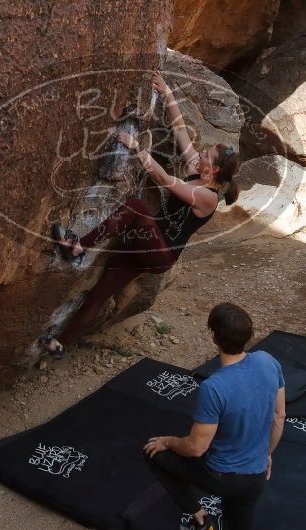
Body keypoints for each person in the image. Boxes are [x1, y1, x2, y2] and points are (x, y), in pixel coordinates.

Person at [40, 71, 241, 358]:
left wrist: (137, 149)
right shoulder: (199, 170)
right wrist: (167, 93)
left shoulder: (207, 197)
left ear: (215, 170)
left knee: (137, 207)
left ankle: (77, 247)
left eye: (207, 155)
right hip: (149, 241)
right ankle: (60, 344)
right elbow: (180, 129)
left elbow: (165, 180)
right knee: (101, 291)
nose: (200, 155)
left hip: (161, 253)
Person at [143, 303, 286, 530]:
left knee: (153, 453)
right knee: (238, 520)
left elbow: (196, 448)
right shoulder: (267, 361)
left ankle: (199, 516)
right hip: (256, 476)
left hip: (222, 478)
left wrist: (168, 441)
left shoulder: (214, 387)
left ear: (214, 337)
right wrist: (266, 455)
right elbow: (279, 416)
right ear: (249, 335)